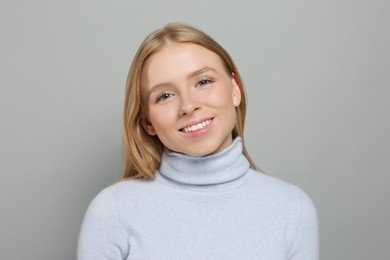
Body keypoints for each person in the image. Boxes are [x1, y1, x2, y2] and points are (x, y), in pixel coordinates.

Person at [78, 22, 319, 260]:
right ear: (147, 122)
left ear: (235, 89)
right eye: (165, 96)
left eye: (203, 82)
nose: (188, 105)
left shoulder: (292, 208)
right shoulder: (113, 212)